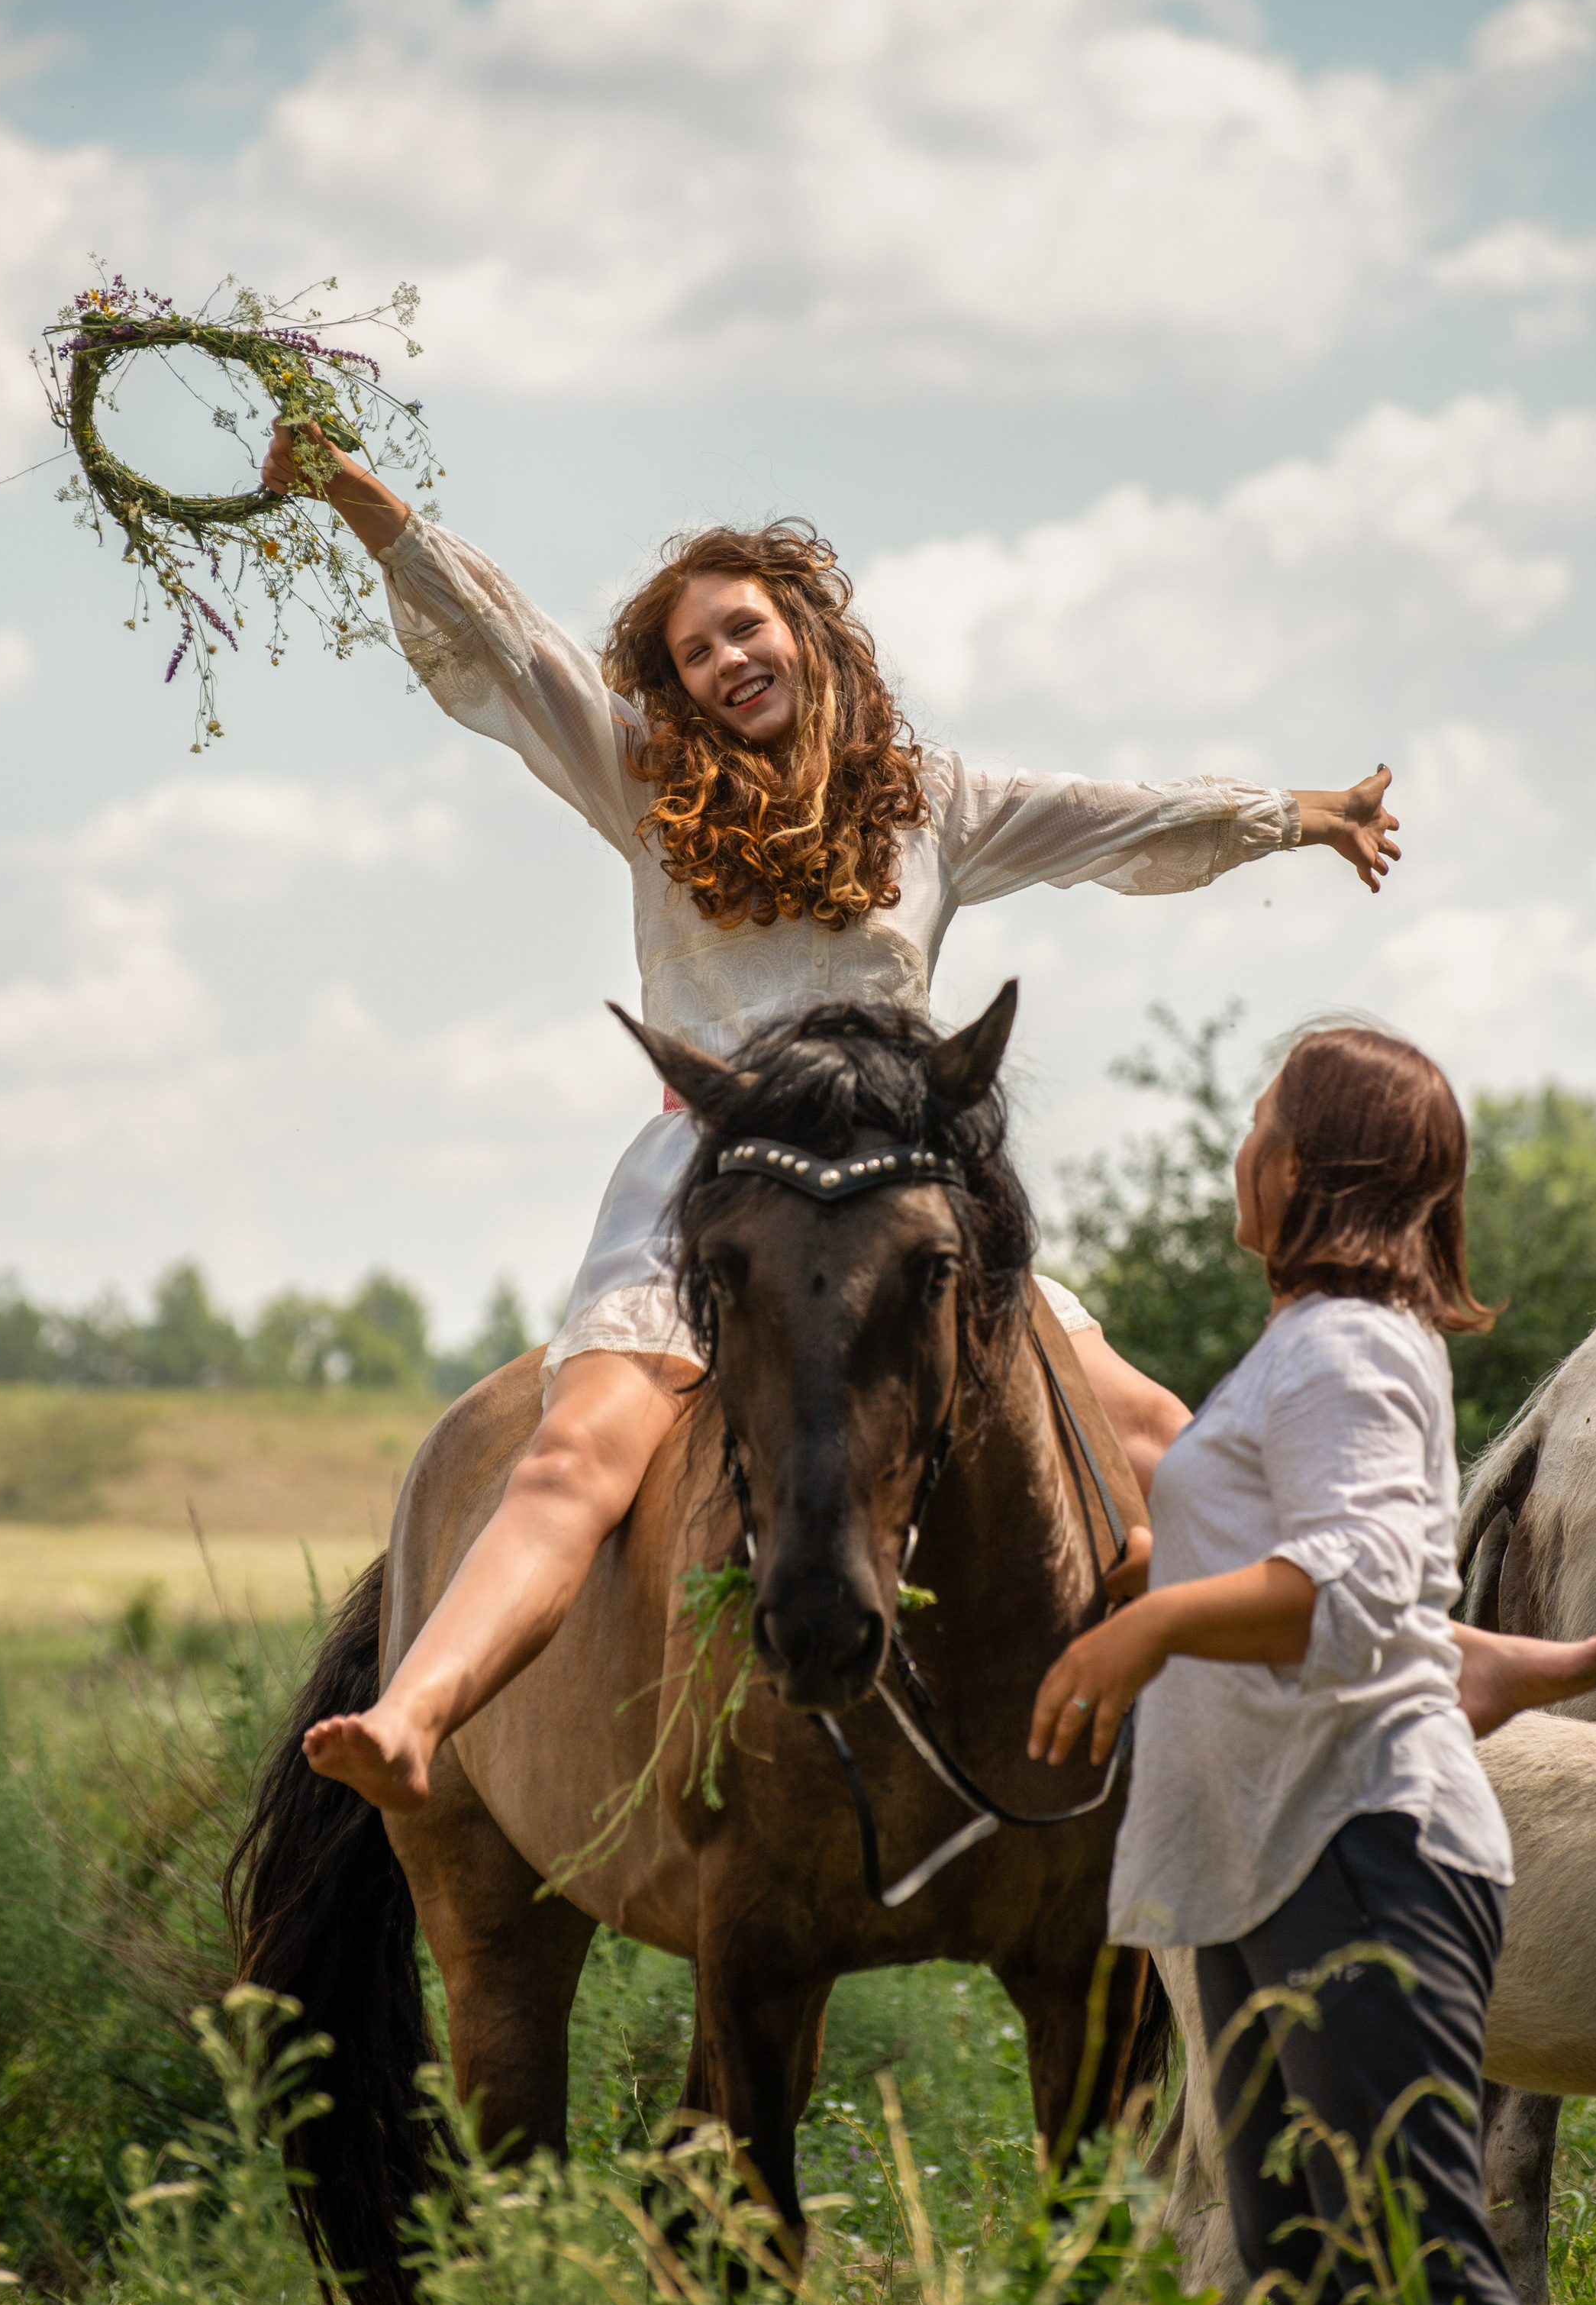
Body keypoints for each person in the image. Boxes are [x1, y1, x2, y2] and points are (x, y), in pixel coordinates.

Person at [260, 425, 1399, 1814]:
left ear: (805, 632)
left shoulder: (937, 804)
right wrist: (363, 499)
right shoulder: (644, 786)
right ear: (675, 685)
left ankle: (1334, 1699)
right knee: (571, 1458)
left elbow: (1123, 824)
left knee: (1158, 1435)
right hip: (718, 1180)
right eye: (696, 652)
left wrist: (1300, 815)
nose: (730, 662)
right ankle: (417, 1717)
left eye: (747, 629)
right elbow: (514, 656)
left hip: (901, 1193)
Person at [1030, 1025, 1596, 2305]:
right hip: (1278, 1859)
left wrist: (1150, 1631)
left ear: (1309, 1169)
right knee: (1315, 2285)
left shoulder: (1350, 1350)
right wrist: (1155, 1576)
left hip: (1361, 1855)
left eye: (1259, 1126)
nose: (1243, 1152)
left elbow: (1352, 1589)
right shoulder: (1308, 1350)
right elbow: (1332, 1567)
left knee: (1415, 2261)